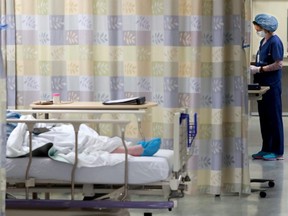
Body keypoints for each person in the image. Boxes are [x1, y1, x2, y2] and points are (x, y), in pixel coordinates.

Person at [250, 14, 284, 161]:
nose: (256, 29)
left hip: (272, 85)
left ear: (265, 27)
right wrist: (254, 66)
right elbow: (262, 60)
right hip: (262, 84)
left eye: (257, 26)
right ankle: (266, 149)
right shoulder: (264, 41)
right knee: (264, 118)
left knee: (273, 118)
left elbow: (278, 64)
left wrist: (260, 70)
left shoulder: (275, 42)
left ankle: (277, 151)